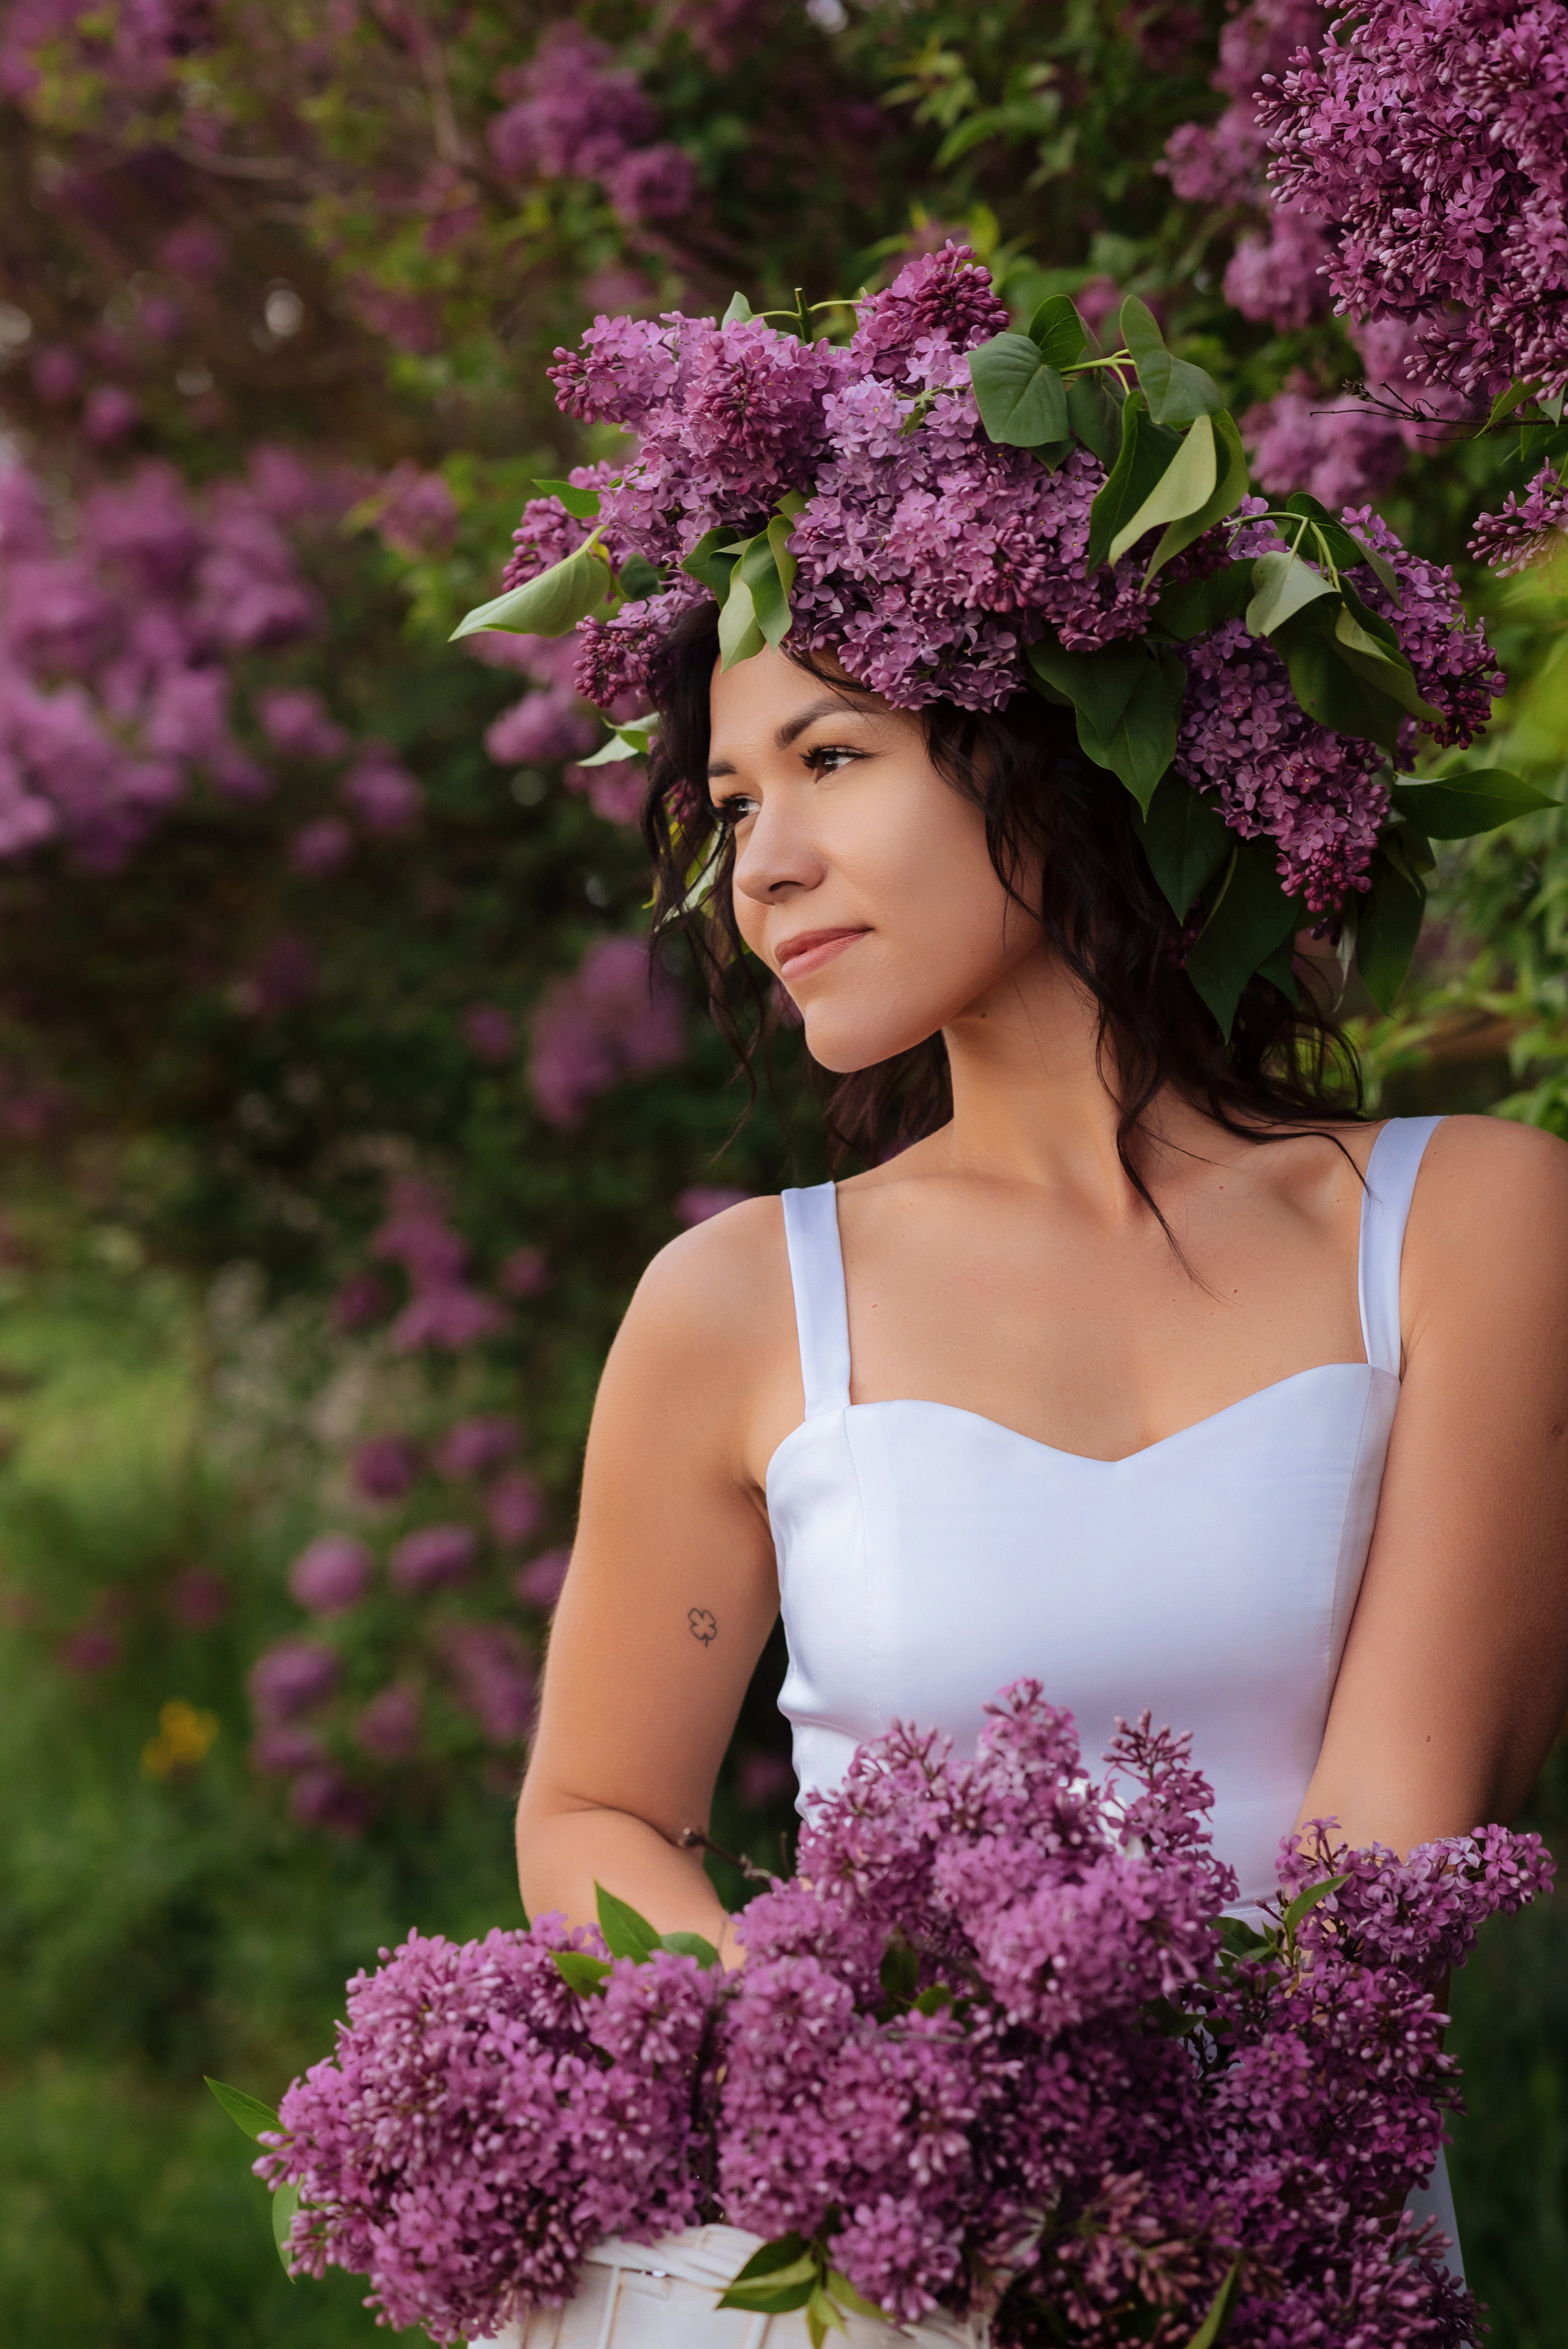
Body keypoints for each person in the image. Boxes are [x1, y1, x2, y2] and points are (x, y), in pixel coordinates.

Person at [492, 250, 1568, 2267]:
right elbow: (599, 1814)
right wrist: (840, 2089)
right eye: (734, 803)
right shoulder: (734, 1307)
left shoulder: (1472, 1226)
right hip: (888, 2256)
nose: (768, 866)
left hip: (1295, 2263)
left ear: (1059, 727)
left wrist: (1125, 2227)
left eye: (830, 758)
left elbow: (1389, 1871)